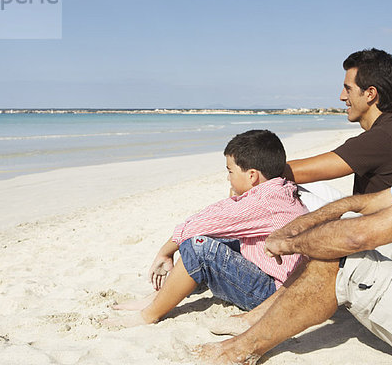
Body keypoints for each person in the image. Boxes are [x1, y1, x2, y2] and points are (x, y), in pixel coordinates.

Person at [196, 49, 392, 365]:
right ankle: (260, 320)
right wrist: (298, 228)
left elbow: (355, 237)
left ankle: (240, 350)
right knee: (334, 227)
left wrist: (289, 241)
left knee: (339, 250)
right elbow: (367, 202)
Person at [104, 129, 311, 328]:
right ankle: (161, 295)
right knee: (214, 237)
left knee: (199, 246)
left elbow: (199, 224)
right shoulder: (279, 190)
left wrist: (165, 251)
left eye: (230, 171)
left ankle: (149, 314)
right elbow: (217, 215)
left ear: (252, 176)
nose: (228, 178)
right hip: (275, 276)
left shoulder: (264, 203)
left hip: (272, 293)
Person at [288, 48, 392, 197]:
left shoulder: (383, 137)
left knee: (285, 185)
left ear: (370, 94)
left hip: (388, 219)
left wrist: (264, 170)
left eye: (348, 89)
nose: (342, 97)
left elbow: (300, 171)